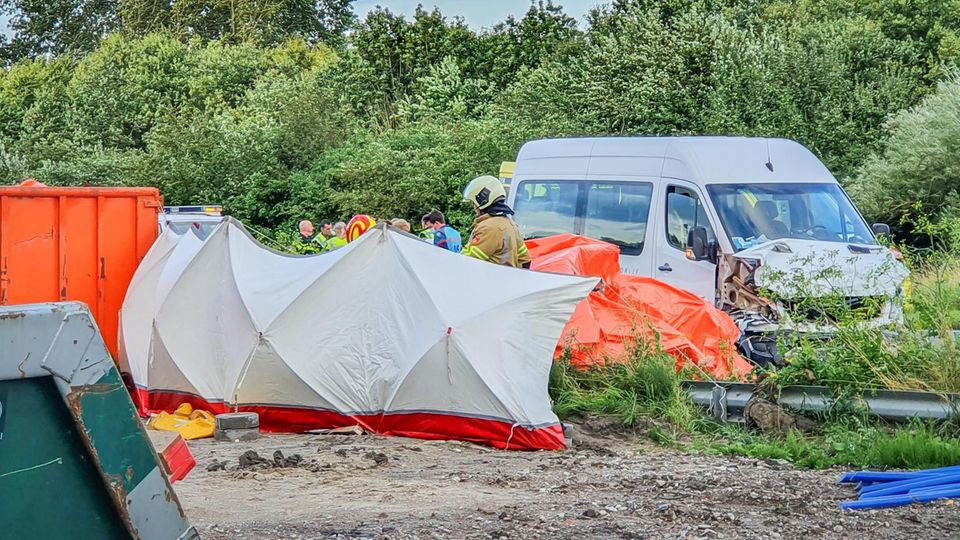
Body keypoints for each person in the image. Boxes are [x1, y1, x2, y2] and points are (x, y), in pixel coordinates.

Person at [461, 175, 530, 268]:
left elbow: (466, 261)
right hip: (506, 280)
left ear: (482, 200)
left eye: (474, 203)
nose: (474, 207)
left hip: (489, 280)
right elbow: (525, 260)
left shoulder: (489, 228)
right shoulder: (510, 223)